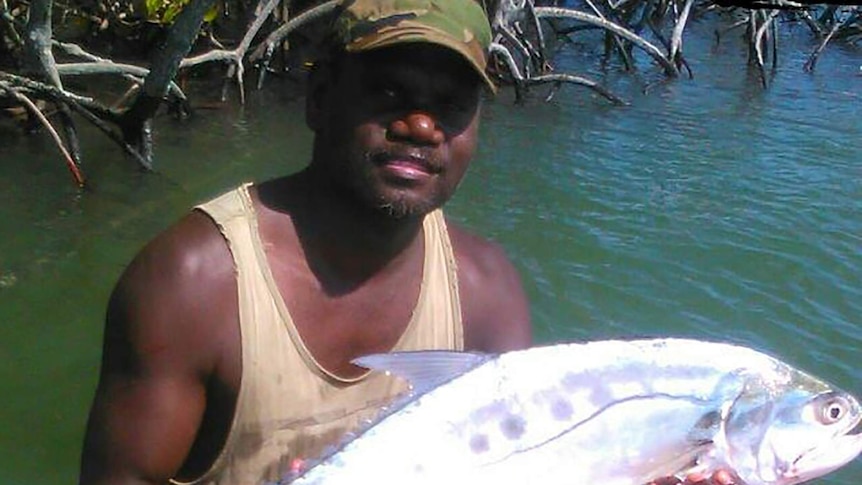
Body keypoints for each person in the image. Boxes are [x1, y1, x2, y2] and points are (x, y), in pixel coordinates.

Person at [78, 0, 735, 483]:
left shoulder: (485, 290)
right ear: (320, 98)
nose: (420, 124)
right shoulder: (194, 280)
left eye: (449, 106)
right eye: (389, 92)